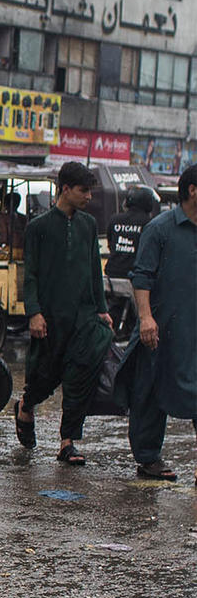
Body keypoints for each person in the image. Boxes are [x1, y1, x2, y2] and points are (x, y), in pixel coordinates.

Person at [13, 161, 112, 465]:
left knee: (79, 375)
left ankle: (67, 441)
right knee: (45, 375)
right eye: (84, 191)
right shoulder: (38, 228)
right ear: (65, 189)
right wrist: (34, 312)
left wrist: (102, 310)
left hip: (83, 316)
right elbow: (30, 275)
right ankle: (26, 406)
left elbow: (95, 270)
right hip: (50, 316)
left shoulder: (88, 225)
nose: (89, 197)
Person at [119, 165, 197, 481]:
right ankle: (148, 458)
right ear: (193, 190)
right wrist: (146, 317)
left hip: (193, 327)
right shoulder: (160, 228)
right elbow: (142, 276)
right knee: (150, 392)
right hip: (160, 327)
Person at [105, 185, 159, 279]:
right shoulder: (149, 223)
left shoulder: (114, 219)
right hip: (136, 277)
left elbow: (110, 244)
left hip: (112, 273)